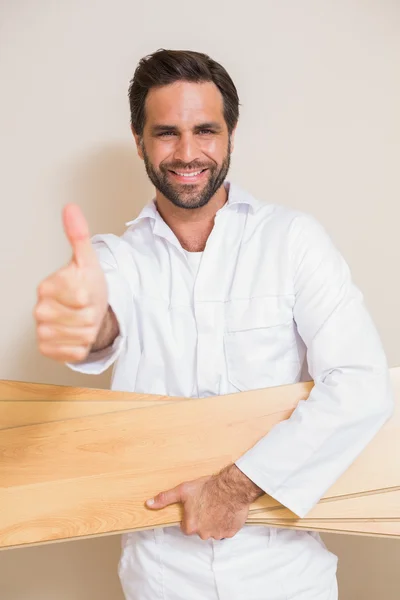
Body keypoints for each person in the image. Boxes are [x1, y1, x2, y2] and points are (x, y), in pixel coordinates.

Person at [34, 49, 393, 600]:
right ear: (138, 141)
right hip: (158, 580)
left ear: (230, 134)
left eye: (205, 130)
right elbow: (100, 318)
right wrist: (84, 323)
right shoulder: (116, 259)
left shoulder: (292, 240)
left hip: (288, 578)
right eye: (165, 133)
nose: (187, 153)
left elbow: (362, 382)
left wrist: (237, 486)